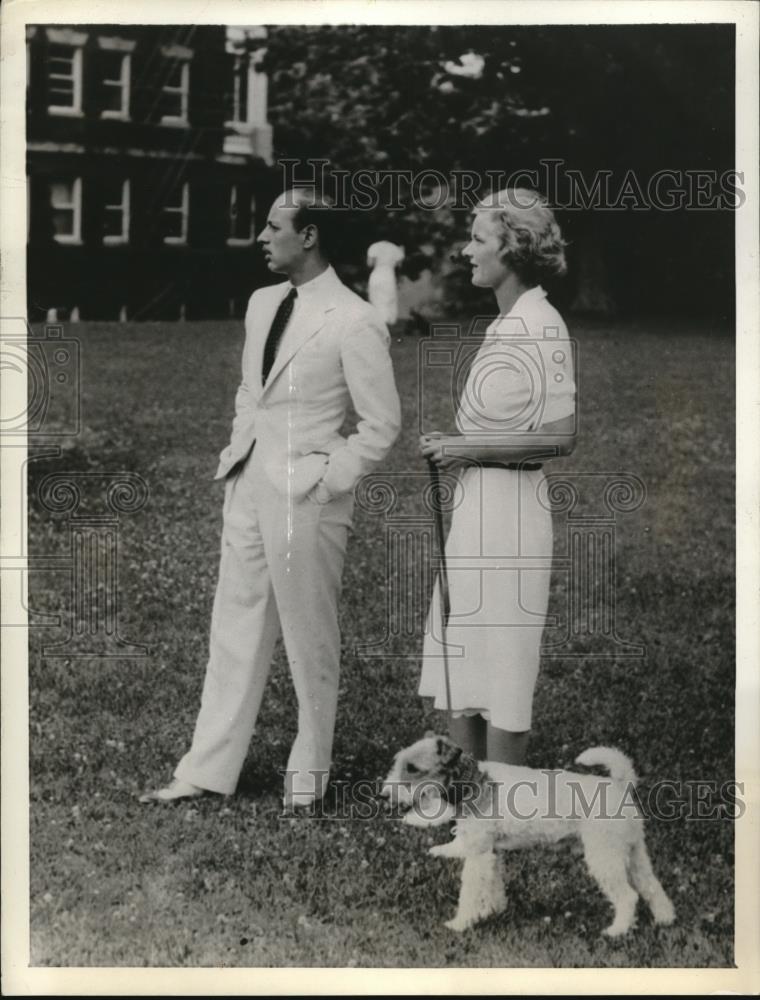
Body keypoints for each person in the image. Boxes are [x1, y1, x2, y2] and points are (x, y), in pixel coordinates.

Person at [141, 189, 401, 809]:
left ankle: (307, 777)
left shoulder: (354, 318)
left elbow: (380, 425)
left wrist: (325, 477)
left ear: (308, 236)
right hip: (249, 483)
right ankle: (207, 769)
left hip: (307, 497)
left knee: (310, 635)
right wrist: (240, 455)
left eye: (273, 225)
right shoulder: (262, 304)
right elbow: (249, 392)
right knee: (233, 627)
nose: (261, 235)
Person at [419, 187, 576, 766]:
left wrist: (465, 448)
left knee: (504, 655)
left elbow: (562, 435)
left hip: (512, 512)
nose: (467, 250)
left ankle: (503, 802)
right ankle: (467, 801)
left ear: (514, 248)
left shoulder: (542, 323)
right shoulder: (505, 323)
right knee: (467, 646)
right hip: (478, 505)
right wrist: (459, 451)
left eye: (479, 239)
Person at [367, 240, 405, 325]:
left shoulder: (374, 246)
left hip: (377, 273)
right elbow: (399, 265)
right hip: (389, 274)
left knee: (375, 297)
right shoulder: (396, 248)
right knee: (389, 297)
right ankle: (388, 320)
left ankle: (378, 320)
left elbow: (369, 264)